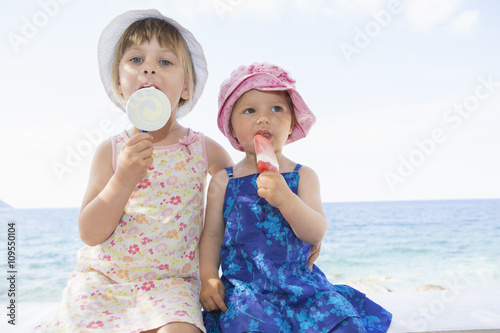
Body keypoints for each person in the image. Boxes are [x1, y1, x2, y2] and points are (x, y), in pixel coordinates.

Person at [35, 9, 232, 333]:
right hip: (105, 281)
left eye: (165, 62)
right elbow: (90, 233)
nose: (149, 68)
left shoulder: (203, 149)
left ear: (186, 88)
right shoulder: (110, 152)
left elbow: (240, 201)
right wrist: (123, 178)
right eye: (136, 60)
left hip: (172, 285)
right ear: (119, 84)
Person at [199, 63, 392, 332]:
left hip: (303, 287)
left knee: (342, 322)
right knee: (249, 325)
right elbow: (211, 236)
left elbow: (315, 232)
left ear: (292, 124)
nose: (263, 118)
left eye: (276, 109)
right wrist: (208, 276)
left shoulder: (304, 176)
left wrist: (285, 199)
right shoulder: (223, 180)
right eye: (249, 110)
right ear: (231, 126)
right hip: (247, 292)